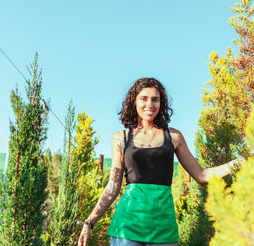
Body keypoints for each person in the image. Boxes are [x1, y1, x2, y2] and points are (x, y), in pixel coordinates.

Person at [78, 77, 245, 246]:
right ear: (134, 102)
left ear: (161, 103)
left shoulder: (174, 137)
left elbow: (202, 175)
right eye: (143, 99)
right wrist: (89, 222)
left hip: (163, 227)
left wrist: (238, 163)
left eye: (155, 99)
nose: (149, 104)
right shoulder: (120, 138)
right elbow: (113, 186)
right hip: (126, 227)